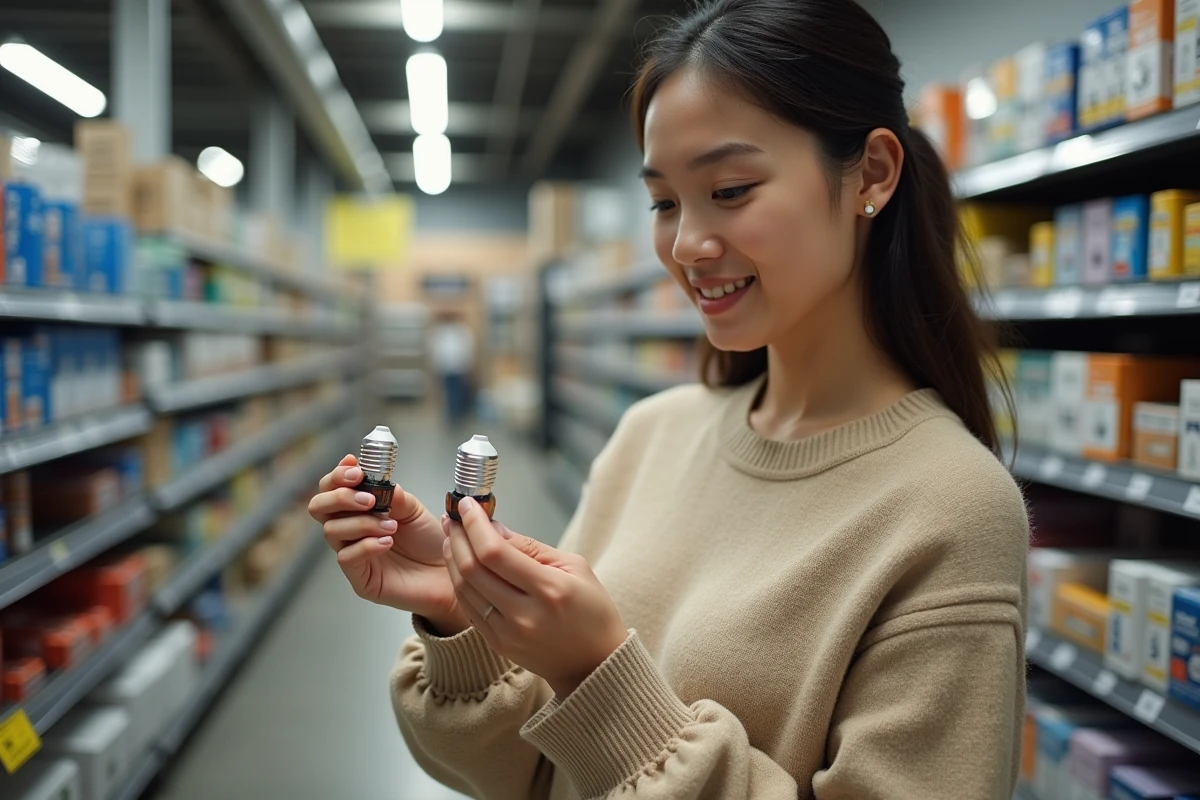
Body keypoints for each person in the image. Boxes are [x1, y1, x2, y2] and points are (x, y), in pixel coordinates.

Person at [308, 0, 1029, 796]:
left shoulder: (952, 508)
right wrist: (465, 618)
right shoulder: (651, 433)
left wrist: (594, 671)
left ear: (875, 174)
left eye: (731, 188)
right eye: (663, 201)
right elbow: (533, 779)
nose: (687, 244)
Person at [428, 311, 475, 426]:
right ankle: (453, 415)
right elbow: (436, 351)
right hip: (450, 367)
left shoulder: (461, 331)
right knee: (451, 392)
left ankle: (455, 414)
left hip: (457, 367)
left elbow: (468, 349)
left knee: (455, 392)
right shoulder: (443, 332)